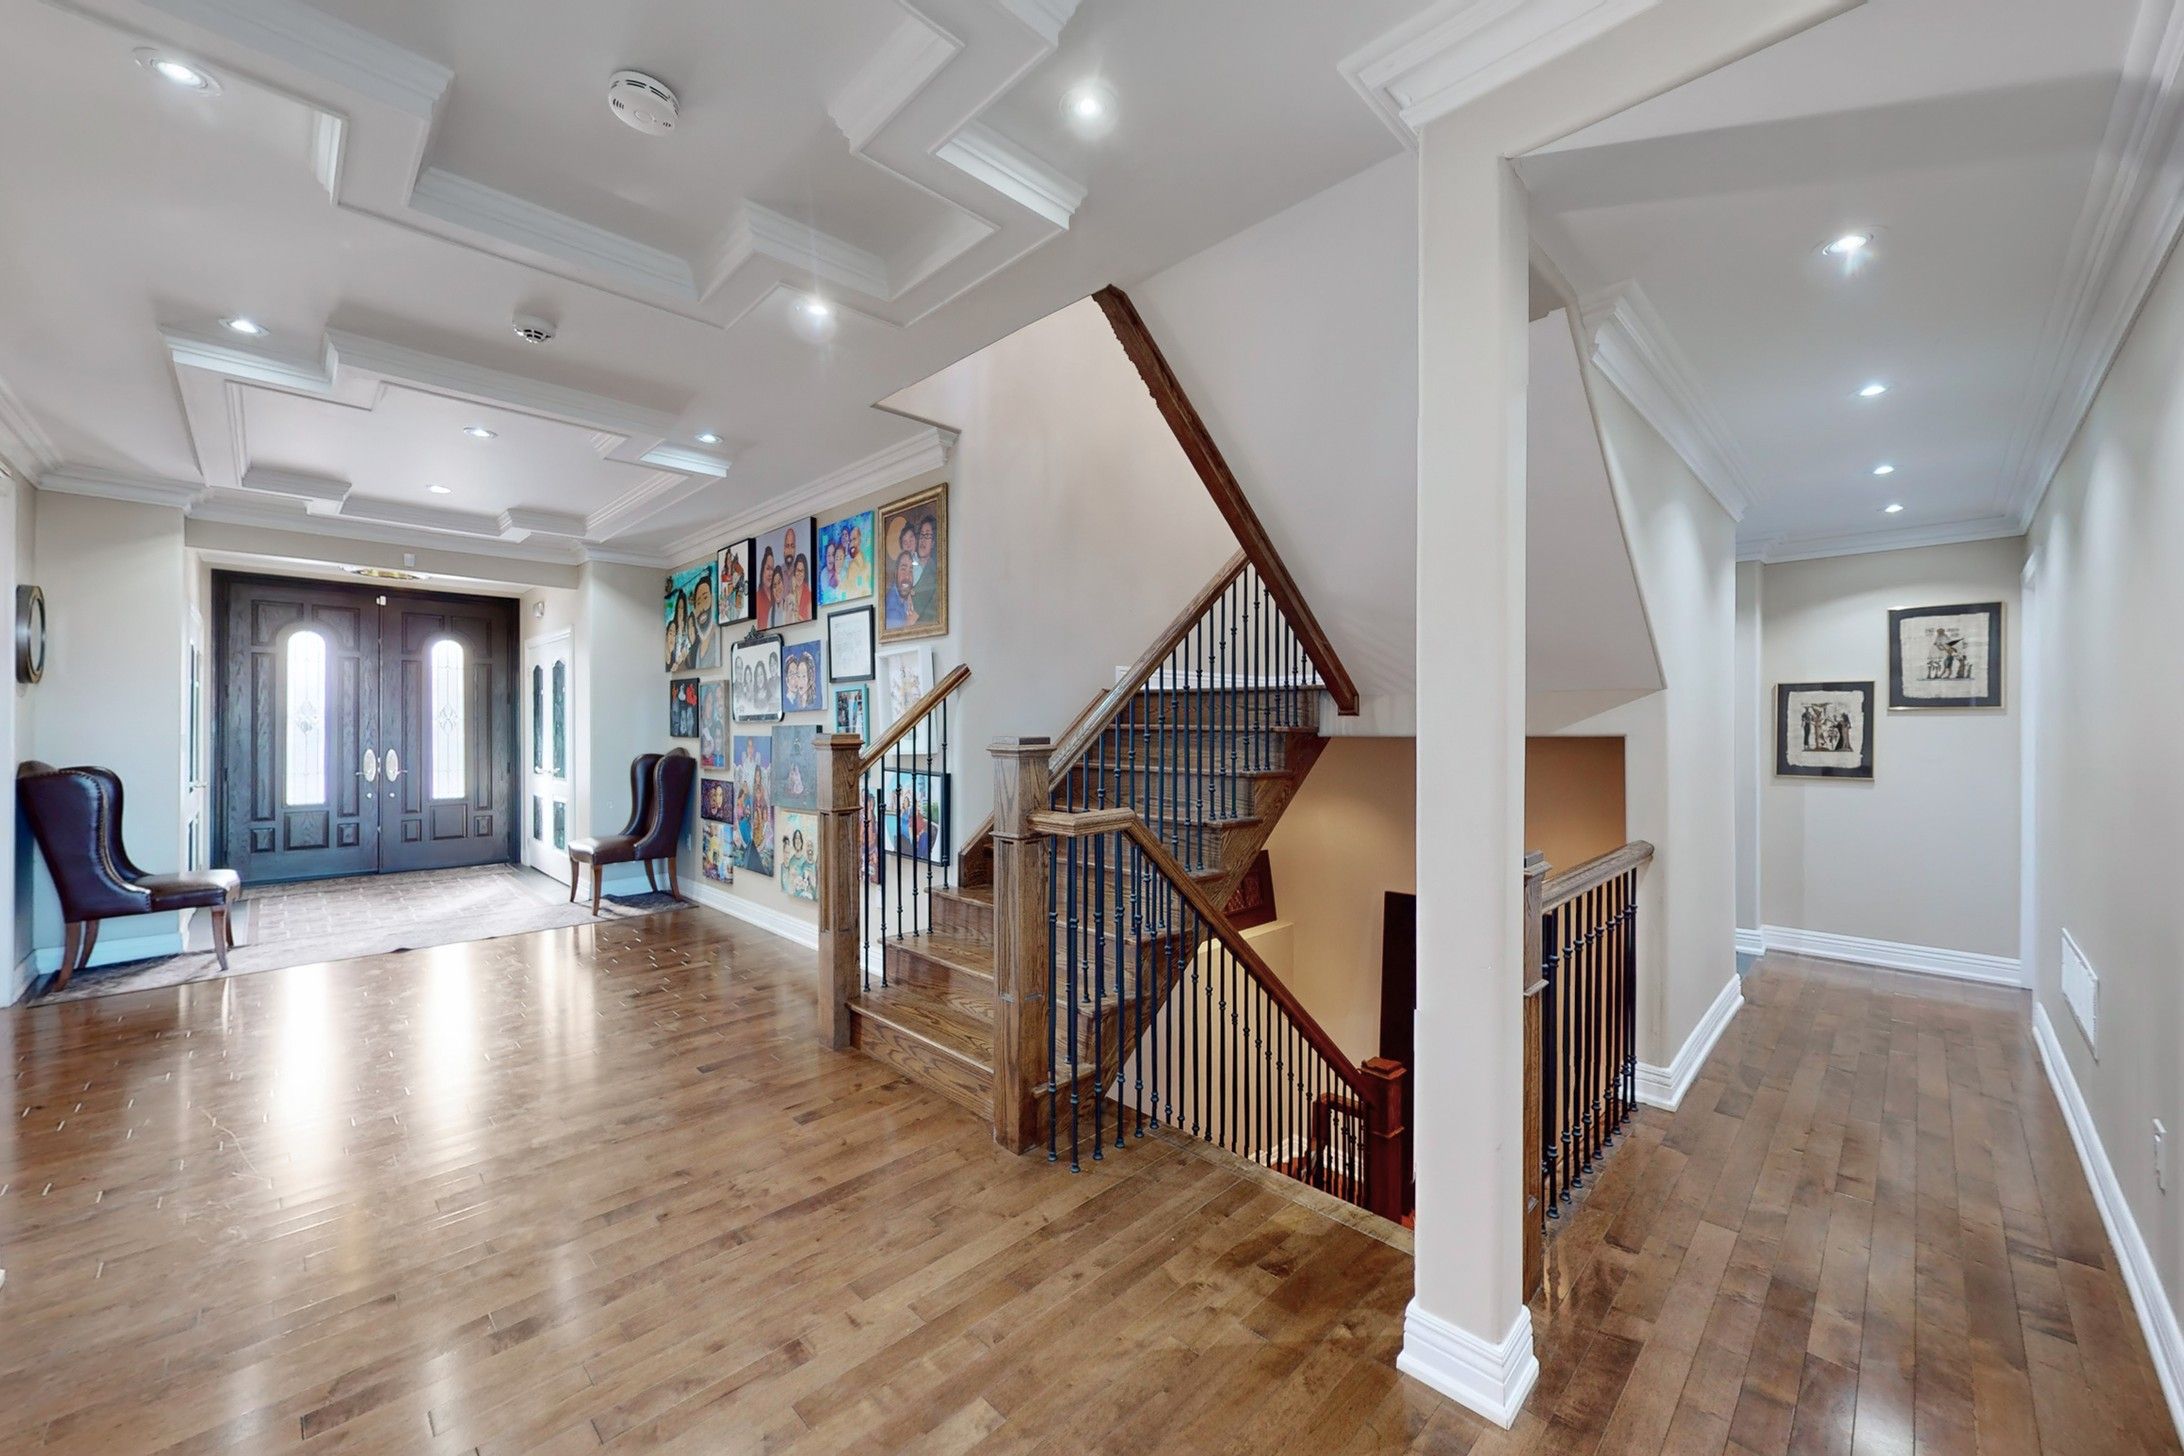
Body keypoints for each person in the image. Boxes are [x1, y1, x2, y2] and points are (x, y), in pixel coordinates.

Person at [886, 550, 920, 631]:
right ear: (895, 573)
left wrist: (909, 595)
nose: (907, 576)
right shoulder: (893, 612)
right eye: (903, 569)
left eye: (910, 571)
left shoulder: (902, 594)